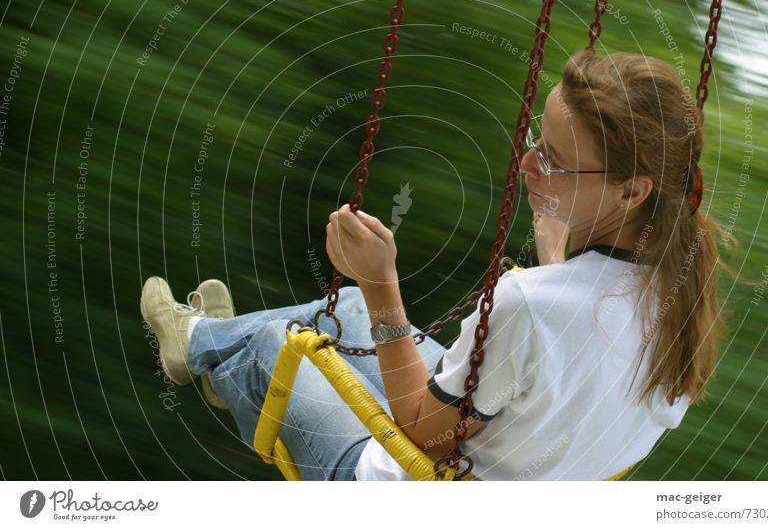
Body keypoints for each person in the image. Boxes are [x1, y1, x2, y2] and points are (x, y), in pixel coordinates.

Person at [140, 48, 727, 481]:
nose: (526, 165)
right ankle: (202, 343)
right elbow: (574, 349)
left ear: (632, 192)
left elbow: (425, 431)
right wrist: (556, 257)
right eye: (535, 140)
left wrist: (381, 282)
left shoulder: (530, 305)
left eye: (554, 160)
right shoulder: (681, 311)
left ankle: (217, 357)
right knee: (341, 309)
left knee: (280, 345)